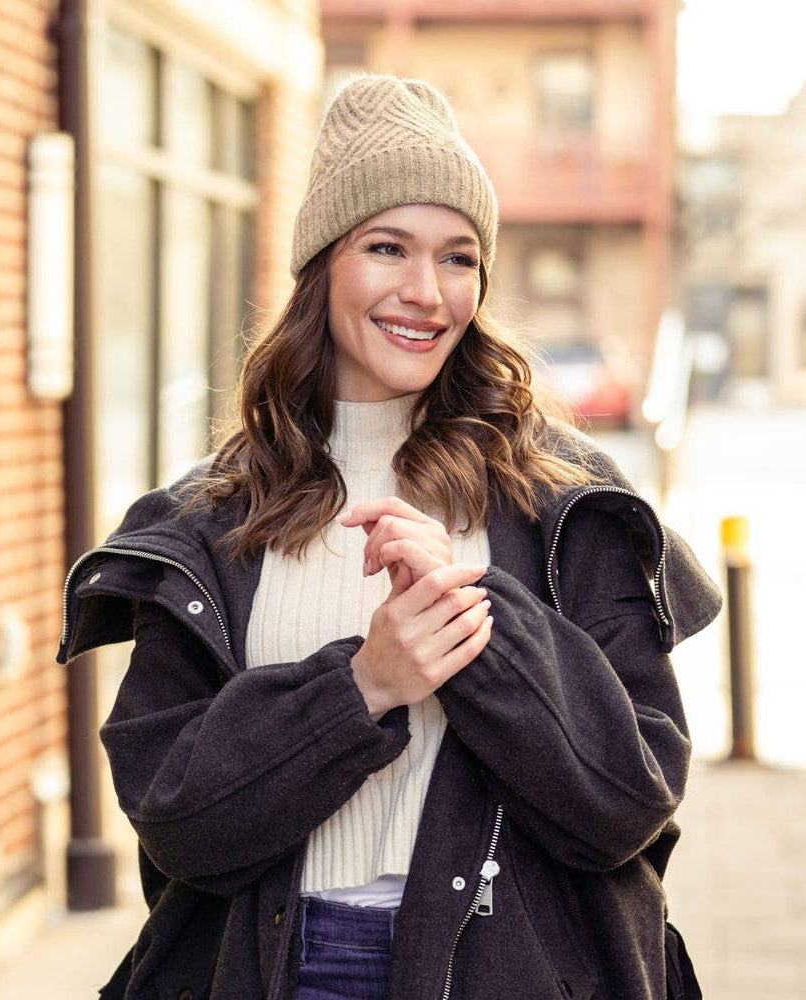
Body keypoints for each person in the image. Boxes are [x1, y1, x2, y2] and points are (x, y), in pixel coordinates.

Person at [59, 75, 720, 1000]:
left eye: (457, 257)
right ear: (322, 266)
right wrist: (365, 684)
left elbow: (628, 801)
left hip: (517, 973)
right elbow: (179, 826)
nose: (425, 291)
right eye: (386, 247)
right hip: (277, 973)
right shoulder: (208, 523)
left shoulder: (566, 504)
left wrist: (479, 633)